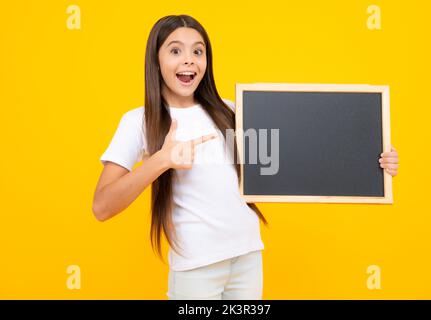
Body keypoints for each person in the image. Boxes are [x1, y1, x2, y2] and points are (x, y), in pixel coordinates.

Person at [92, 14, 399, 300]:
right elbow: (102, 206)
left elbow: (302, 155)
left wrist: (374, 162)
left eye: (198, 52)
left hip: (247, 258)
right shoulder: (138, 121)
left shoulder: (232, 110)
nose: (189, 60)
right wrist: (161, 160)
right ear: (156, 60)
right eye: (175, 51)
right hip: (197, 267)